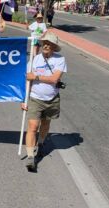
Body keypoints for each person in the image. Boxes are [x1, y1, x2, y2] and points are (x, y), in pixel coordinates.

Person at [21, 32, 67, 171]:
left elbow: (54, 79)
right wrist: (24, 99)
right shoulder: (34, 60)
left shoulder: (60, 59)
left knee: (45, 125)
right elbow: (27, 80)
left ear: (54, 47)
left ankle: (40, 143)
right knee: (33, 127)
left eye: (50, 44)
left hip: (52, 99)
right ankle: (30, 158)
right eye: (44, 43)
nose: (46, 45)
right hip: (35, 98)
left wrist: (35, 76)